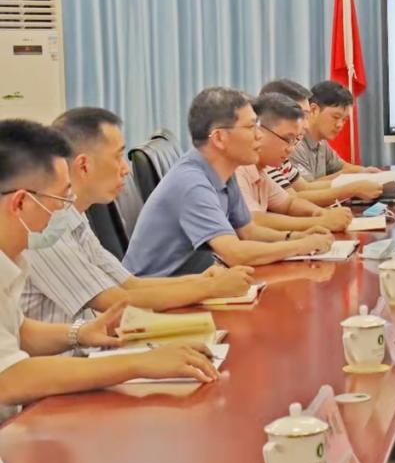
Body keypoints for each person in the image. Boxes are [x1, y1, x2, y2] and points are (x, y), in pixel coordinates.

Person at [0, 120, 218, 423]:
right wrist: (140, 363)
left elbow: (18, 330)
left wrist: (80, 334)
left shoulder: (12, 257)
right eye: (60, 200)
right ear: (21, 202)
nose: (64, 210)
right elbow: (9, 378)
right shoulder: (31, 248)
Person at [20, 108, 256, 324]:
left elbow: (130, 284)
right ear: (84, 166)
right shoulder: (45, 229)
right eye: (118, 157)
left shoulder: (75, 218)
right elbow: (115, 300)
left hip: (100, 340)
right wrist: (211, 288)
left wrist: (203, 281)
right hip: (77, 353)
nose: (126, 169)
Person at [123, 88, 333, 276]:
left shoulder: (224, 172)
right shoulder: (192, 183)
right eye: (251, 127)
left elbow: (249, 232)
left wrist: (295, 237)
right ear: (219, 138)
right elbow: (235, 253)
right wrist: (302, 245)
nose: (259, 136)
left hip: (195, 281)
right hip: (158, 297)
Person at [239, 93, 354, 232]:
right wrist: (320, 221)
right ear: (259, 132)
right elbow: (253, 219)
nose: (291, 148)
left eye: (294, 140)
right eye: (287, 139)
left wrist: (320, 213)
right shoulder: (239, 169)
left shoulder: (262, 171)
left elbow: (289, 203)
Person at [258, 79, 381, 204]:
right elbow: (293, 200)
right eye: (299, 116)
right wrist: (352, 188)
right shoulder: (277, 152)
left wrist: (357, 178)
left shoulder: (284, 155)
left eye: (306, 116)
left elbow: (304, 188)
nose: (306, 125)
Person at [289, 81, 380, 182]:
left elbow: (341, 166)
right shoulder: (294, 144)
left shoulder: (321, 142)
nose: (340, 125)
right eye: (335, 117)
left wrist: (364, 171)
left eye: (344, 119)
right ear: (314, 110)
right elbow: (306, 188)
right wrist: (346, 176)